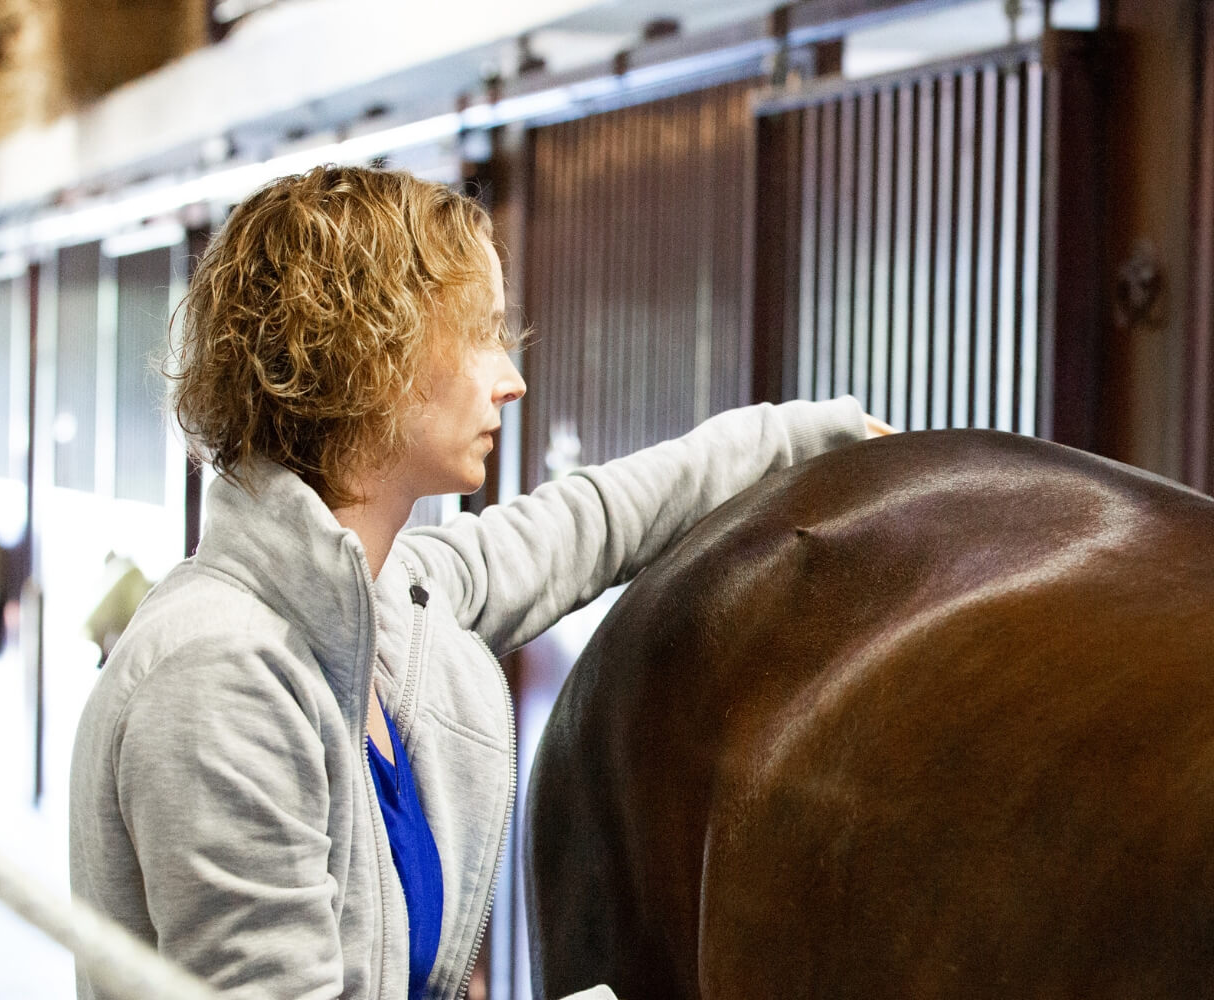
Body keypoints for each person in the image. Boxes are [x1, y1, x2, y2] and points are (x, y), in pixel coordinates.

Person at [68, 165, 885, 1000]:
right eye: (479, 333)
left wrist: (810, 437)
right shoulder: (219, 678)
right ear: (369, 353)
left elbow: (587, 523)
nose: (511, 378)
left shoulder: (384, 601)